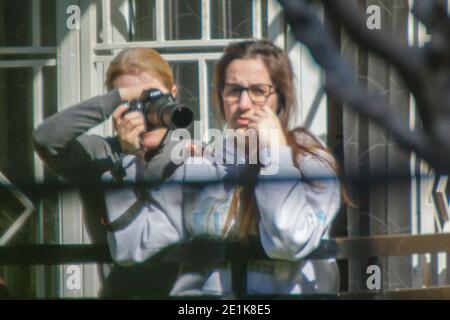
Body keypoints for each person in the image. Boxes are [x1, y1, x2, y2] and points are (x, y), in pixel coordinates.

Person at [108, 40, 342, 296]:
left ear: (281, 97)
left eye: (258, 91)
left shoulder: (311, 163)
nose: (243, 104)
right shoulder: (201, 164)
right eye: (233, 91)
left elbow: (286, 243)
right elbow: (129, 249)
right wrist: (129, 160)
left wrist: (275, 153)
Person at [32, 47, 182, 297]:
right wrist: (121, 97)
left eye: (155, 100)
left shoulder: (191, 156)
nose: (148, 113)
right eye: (135, 104)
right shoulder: (100, 154)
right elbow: (45, 138)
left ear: (174, 95)